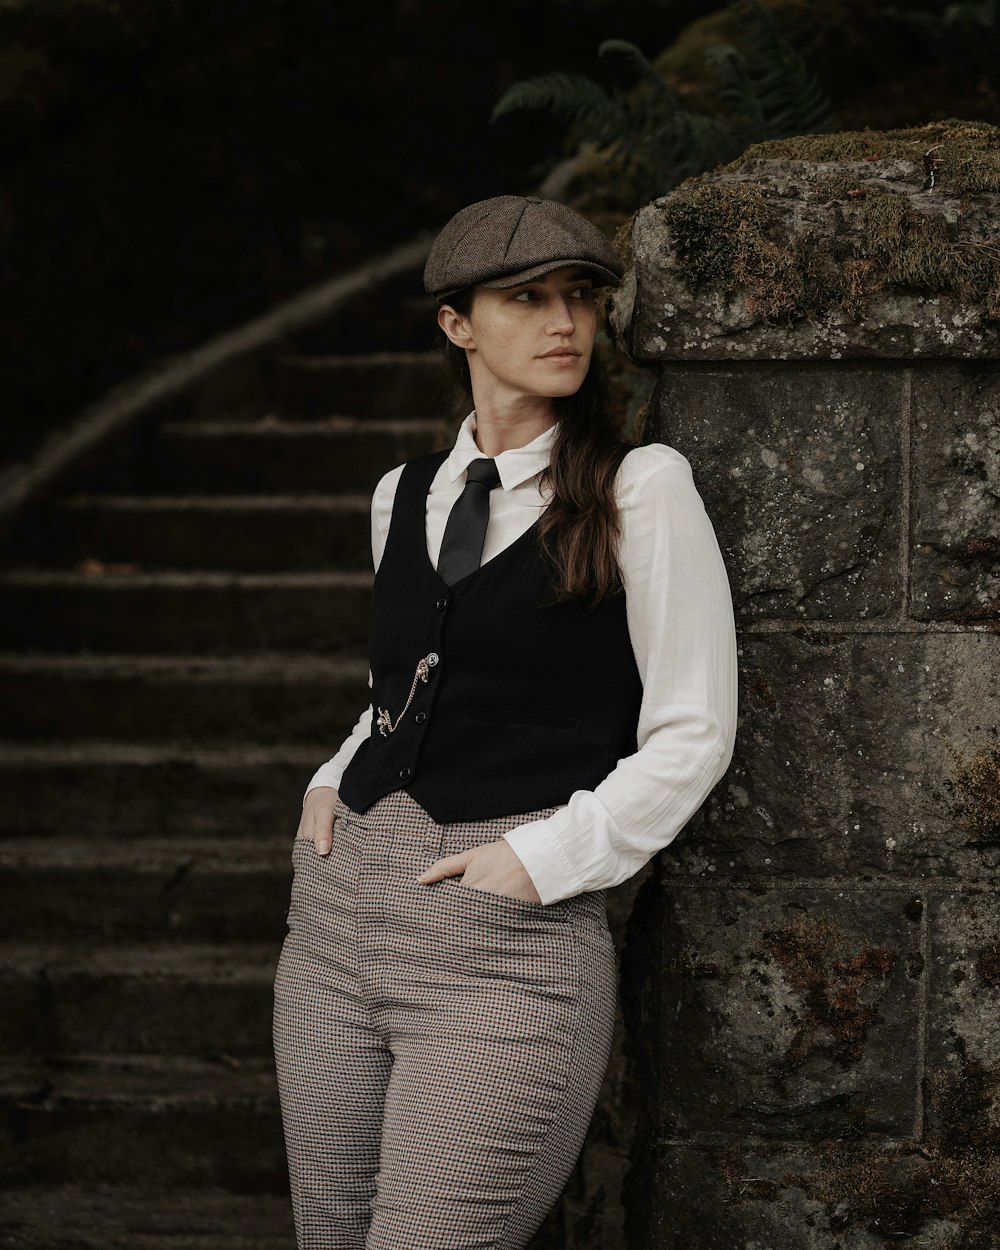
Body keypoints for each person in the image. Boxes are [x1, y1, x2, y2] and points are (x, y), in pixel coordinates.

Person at [272, 194, 738, 1250]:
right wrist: (334, 768)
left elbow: (693, 726)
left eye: (579, 295)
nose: (563, 320)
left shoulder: (639, 487)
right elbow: (413, 680)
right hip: (334, 932)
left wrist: (543, 856)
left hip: (504, 944)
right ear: (457, 324)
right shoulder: (402, 492)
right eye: (526, 298)